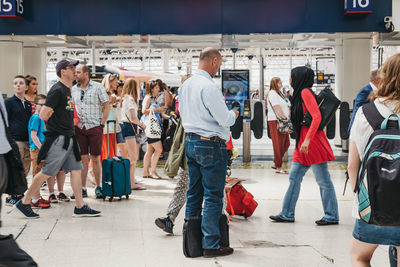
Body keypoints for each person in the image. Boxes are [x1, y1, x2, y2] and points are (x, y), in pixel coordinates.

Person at [14, 58, 101, 218]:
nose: (75, 70)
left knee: (76, 169)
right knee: (47, 172)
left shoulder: (68, 90)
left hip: (69, 137)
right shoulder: (57, 90)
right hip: (59, 139)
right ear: (63, 71)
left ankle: (80, 206)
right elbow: (43, 114)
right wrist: (57, 124)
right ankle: (25, 202)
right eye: (71, 67)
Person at [180, 47, 238, 257]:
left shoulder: (185, 85)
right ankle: (211, 245)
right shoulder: (209, 86)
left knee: (194, 193)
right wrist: (234, 113)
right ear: (213, 61)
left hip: (191, 143)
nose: (218, 69)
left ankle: (191, 244)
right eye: (219, 64)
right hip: (210, 145)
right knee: (213, 195)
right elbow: (225, 119)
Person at [347, 54, 400, 266]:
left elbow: (353, 165)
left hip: (373, 202)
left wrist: (359, 196)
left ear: (384, 76)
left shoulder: (365, 112)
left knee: (359, 256)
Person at [269, 66, 339, 226]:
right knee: (294, 177)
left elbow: (316, 117)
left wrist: (307, 141)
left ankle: (331, 215)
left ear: (299, 77)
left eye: (292, 75)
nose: (290, 79)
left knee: (322, 180)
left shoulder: (305, 93)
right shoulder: (299, 94)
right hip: (304, 143)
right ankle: (287, 213)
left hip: (312, 143)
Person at [155, 74, 192, 234]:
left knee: (209, 186)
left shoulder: (200, 102)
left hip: (200, 151)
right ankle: (170, 218)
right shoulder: (185, 102)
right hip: (187, 152)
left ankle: (220, 216)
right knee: (182, 185)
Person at [72, 64, 110, 199]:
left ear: (86, 74)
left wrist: (102, 123)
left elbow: (106, 105)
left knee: (95, 158)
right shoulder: (73, 89)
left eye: (77, 72)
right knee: (82, 158)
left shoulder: (98, 87)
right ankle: (82, 188)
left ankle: (98, 186)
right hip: (79, 128)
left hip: (95, 127)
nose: (75, 74)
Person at [29, 94, 70, 205]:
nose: (43, 107)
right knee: (37, 175)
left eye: (45, 104)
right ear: (35, 105)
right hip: (37, 150)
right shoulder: (36, 118)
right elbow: (33, 135)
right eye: (40, 104)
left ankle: (37, 197)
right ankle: (35, 199)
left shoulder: (41, 118)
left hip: (42, 149)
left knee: (40, 175)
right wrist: (42, 149)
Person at [4, 75, 32, 206]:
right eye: (16, 83)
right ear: (13, 87)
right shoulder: (8, 103)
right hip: (15, 140)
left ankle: (18, 193)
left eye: (21, 83)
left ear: (26, 87)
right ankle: (11, 195)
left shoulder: (27, 104)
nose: (18, 85)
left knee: (25, 167)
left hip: (27, 140)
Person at [120, 78, 146, 190]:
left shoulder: (125, 98)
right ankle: (130, 183)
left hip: (126, 127)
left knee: (131, 157)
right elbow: (133, 117)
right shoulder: (130, 99)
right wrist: (142, 125)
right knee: (133, 158)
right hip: (129, 127)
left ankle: (130, 181)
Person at [141, 81, 169, 179]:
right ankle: (153, 172)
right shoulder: (148, 98)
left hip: (154, 127)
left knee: (150, 150)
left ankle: (145, 172)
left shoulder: (154, 99)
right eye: (156, 87)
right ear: (152, 89)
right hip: (151, 128)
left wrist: (168, 116)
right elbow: (144, 111)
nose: (158, 89)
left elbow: (161, 114)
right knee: (159, 149)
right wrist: (158, 110)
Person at [267, 77, 291, 174]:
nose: (281, 83)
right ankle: (278, 166)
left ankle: (276, 162)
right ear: (274, 83)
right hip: (276, 120)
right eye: (279, 82)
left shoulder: (279, 93)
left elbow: (286, 104)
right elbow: (276, 107)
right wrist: (284, 118)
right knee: (278, 143)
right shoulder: (272, 93)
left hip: (283, 120)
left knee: (286, 143)